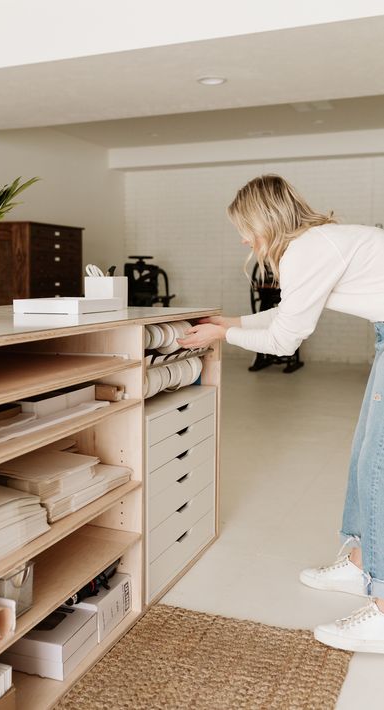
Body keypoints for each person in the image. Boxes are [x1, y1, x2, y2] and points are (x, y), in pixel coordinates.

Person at [177, 174, 384, 653]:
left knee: (379, 465)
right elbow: (291, 314)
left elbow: (284, 340)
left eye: (245, 228)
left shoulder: (306, 251)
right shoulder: (319, 242)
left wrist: (221, 338)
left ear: (264, 220)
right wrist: (231, 323)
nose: (244, 240)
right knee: (366, 454)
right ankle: (360, 564)